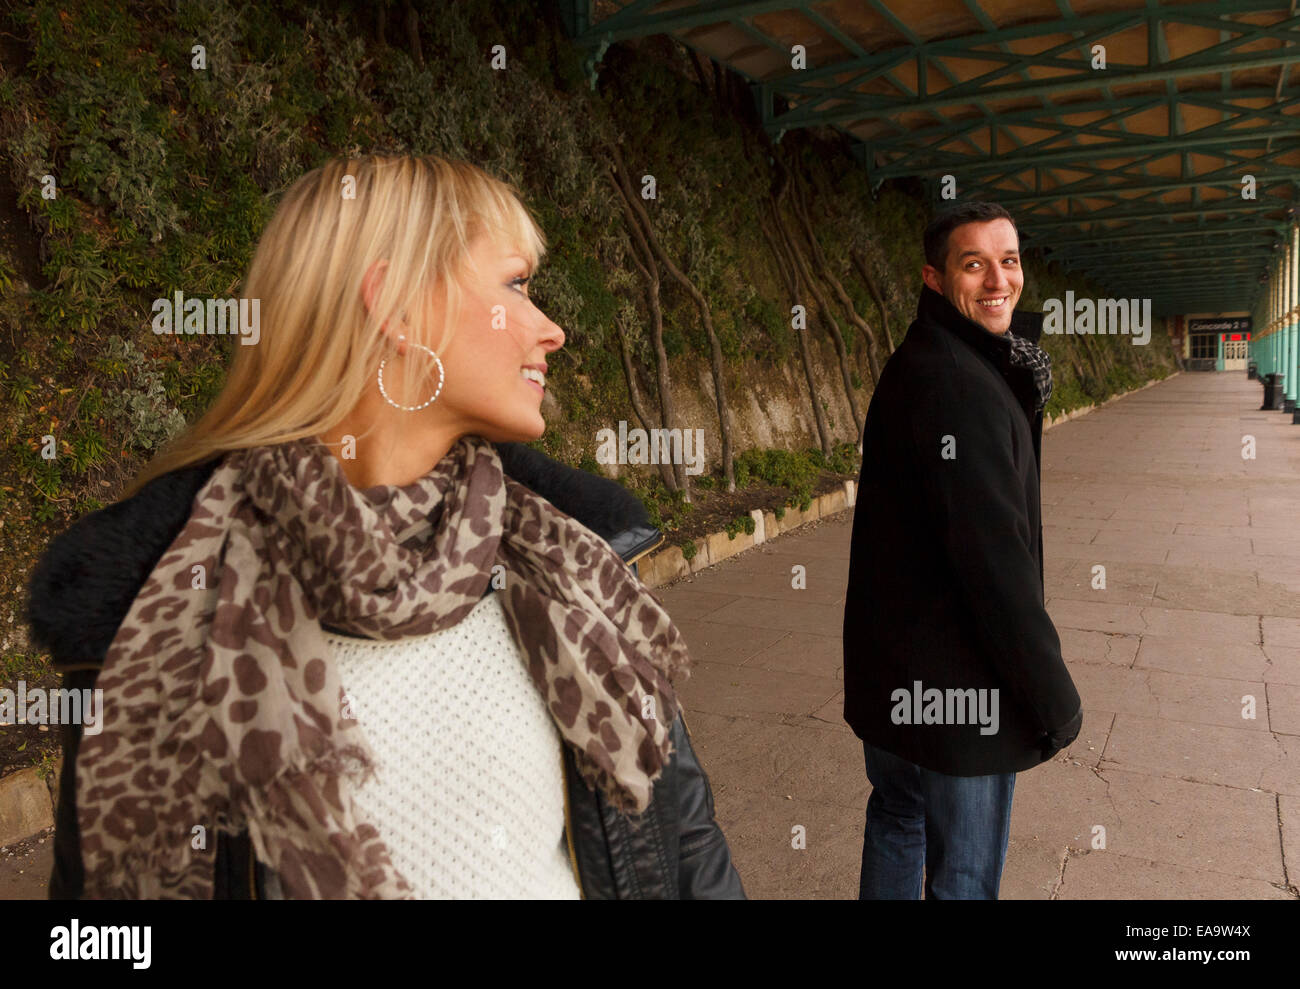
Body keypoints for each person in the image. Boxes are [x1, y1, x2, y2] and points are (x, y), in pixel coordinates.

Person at [27, 153, 744, 900]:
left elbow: (685, 840)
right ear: (396, 307)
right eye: (516, 284)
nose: (553, 329)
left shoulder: (566, 559)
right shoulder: (158, 608)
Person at [842, 201, 1082, 899]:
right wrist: (1052, 697)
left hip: (896, 678)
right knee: (965, 879)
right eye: (973, 263)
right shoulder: (961, 383)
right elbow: (993, 561)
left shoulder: (930, 360)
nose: (997, 279)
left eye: (1008, 260)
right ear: (935, 277)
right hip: (959, 694)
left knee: (897, 818)